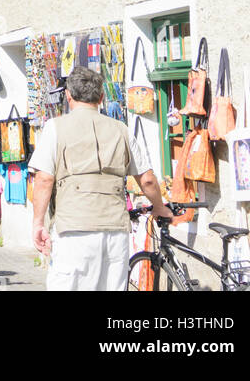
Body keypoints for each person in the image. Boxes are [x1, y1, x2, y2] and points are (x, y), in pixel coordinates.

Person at [29, 67, 173, 291]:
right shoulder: (121, 130)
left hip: (73, 228)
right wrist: (159, 207)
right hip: (115, 229)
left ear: (68, 96)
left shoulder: (55, 128)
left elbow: (44, 180)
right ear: (101, 97)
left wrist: (38, 223)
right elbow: (146, 180)